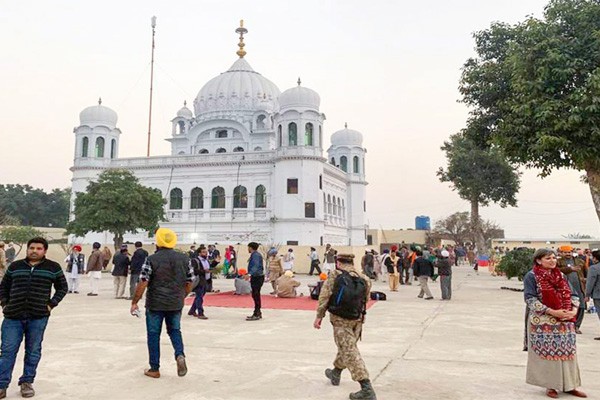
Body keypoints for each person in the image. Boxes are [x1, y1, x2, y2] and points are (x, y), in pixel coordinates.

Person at [0, 237, 68, 398]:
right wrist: (4, 304)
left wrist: (51, 304)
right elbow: (3, 286)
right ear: (27, 249)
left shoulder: (53, 267)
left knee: (33, 351)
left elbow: (62, 287)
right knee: (7, 351)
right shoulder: (15, 266)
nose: (34, 251)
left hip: (38, 317)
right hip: (13, 316)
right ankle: (2, 385)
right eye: (32, 248)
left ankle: (26, 382)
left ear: (44, 251)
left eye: (38, 248)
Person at [130, 228, 193, 379]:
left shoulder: (151, 259)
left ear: (158, 242)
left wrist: (135, 301)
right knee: (175, 331)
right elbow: (190, 281)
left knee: (153, 335)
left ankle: (154, 368)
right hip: (175, 303)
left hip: (155, 303)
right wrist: (182, 296)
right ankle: (179, 354)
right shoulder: (185, 259)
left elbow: (143, 282)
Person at [524, 248, 586, 399]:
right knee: (548, 355)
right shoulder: (532, 276)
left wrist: (573, 310)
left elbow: (574, 294)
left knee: (568, 353)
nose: (552, 261)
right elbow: (530, 299)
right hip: (543, 321)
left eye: (553, 258)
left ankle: (570, 385)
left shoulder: (561, 275)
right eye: (548, 258)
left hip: (565, 319)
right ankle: (551, 385)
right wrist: (552, 311)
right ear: (538, 260)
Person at [314, 253, 376, 400]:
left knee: (350, 351)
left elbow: (324, 296)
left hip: (340, 319)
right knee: (347, 347)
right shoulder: (364, 278)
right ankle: (335, 372)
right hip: (358, 319)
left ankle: (366, 387)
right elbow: (366, 299)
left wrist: (319, 316)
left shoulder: (335, 275)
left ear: (338, 262)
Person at [558, 246, 586, 334]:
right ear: (561, 253)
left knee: (581, 307)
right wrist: (570, 269)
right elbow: (556, 271)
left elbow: (586, 273)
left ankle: (576, 326)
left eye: (569, 252)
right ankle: (569, 325)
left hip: (579, 287)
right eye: (565, 252)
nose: (568, 254)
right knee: (568, 307)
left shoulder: (580, 261)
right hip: (565, 288)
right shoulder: (558, 262)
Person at [188, 245, 210, 320]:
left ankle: (192, 310)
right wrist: (204, 271)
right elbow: (194, 270)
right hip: (199, 281)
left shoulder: (206, 260)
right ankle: (200, 313)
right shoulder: (195, 260)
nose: (205, 253)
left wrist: (215, 262)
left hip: (205, 280)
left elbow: (209, 268)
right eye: (203, 252)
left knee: (199, 296)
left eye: (206, 252)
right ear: (199, 253)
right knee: (199, 297)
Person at [246, 242, 265, 321]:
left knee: (256, 295)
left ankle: (257, 313)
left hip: (257, 277)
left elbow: (256, 266)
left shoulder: (256, 255)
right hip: (256, 276)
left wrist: (250, 274)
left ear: (251, 247)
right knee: (255, 294)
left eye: (248, 247)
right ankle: (257, 312)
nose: (248, 249)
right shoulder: (255, 255)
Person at [585, 249, 600, 340]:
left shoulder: (594, 268)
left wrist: (587, 294)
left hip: (598, 295)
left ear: (595, 258)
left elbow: (590, 282)